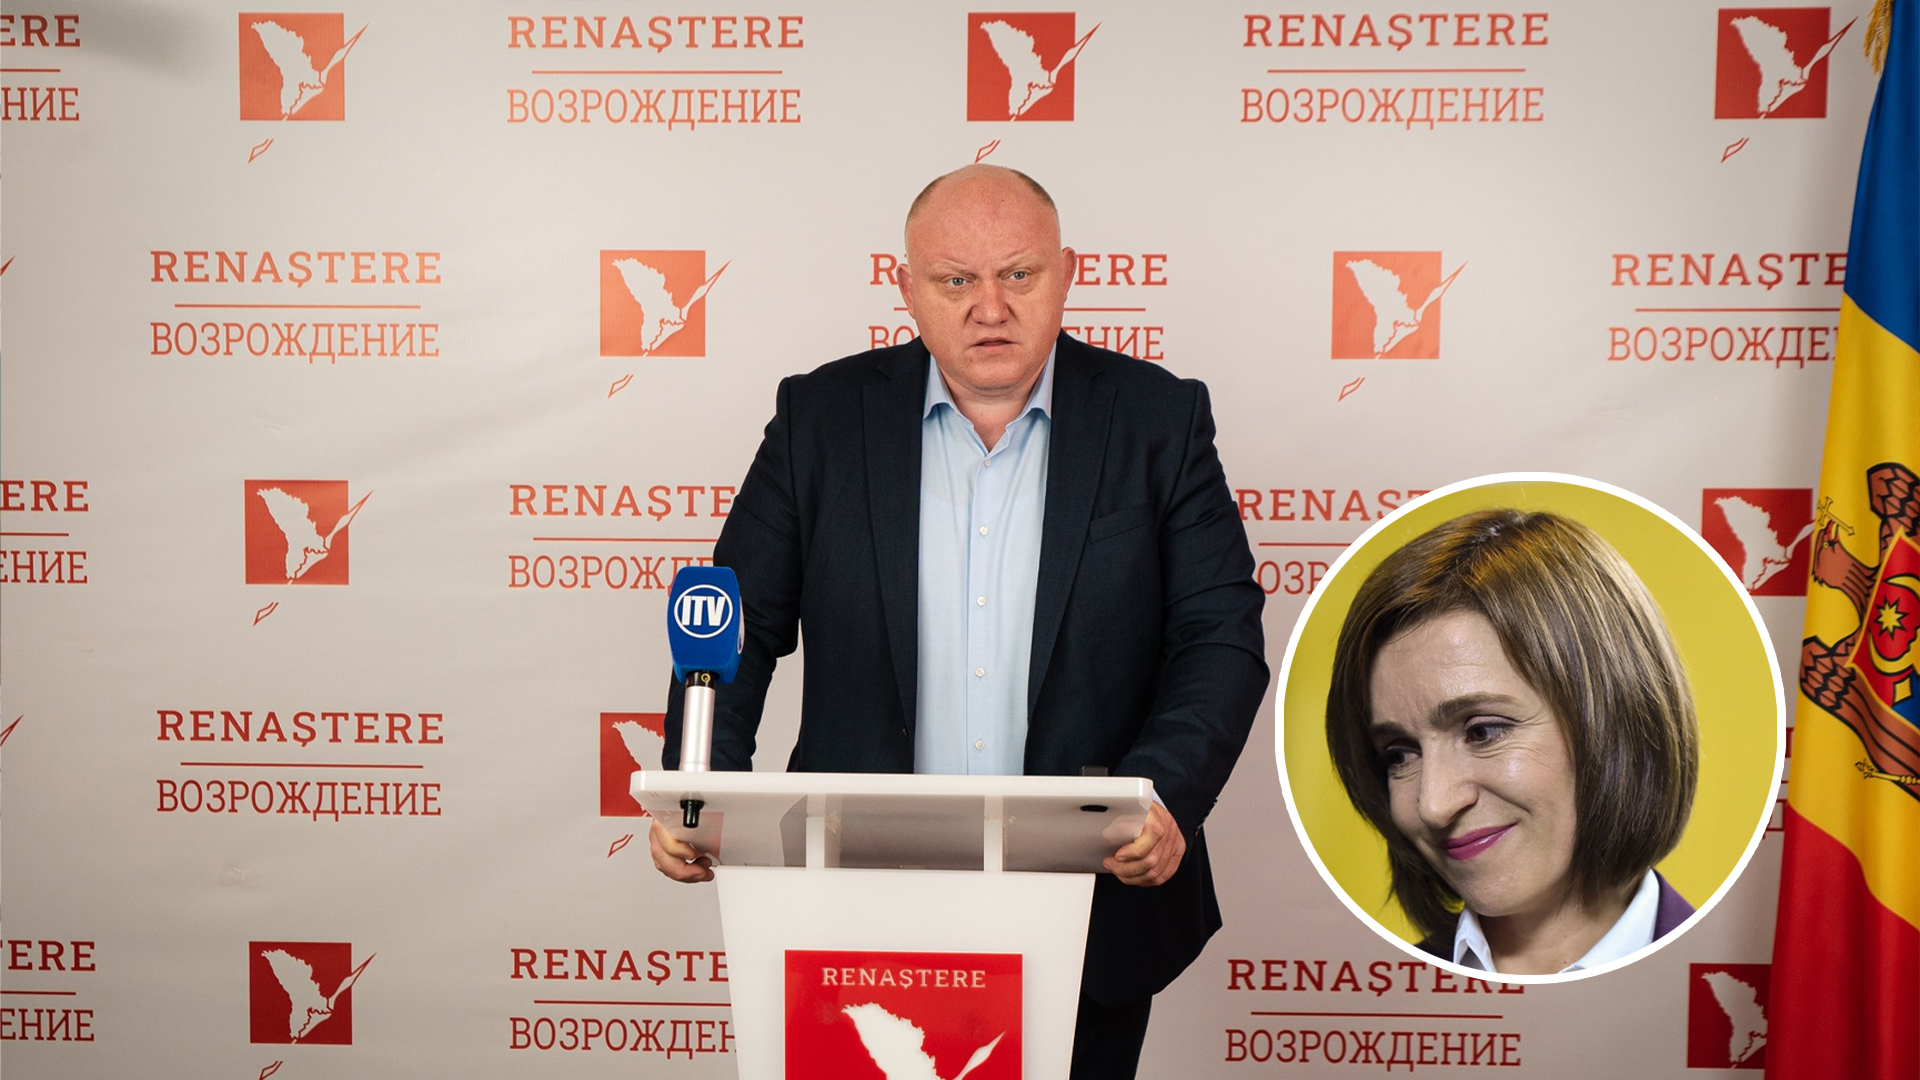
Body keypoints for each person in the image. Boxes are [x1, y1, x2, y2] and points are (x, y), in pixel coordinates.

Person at [650, 164, 1269, 1072]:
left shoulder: (1157, 420)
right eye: (955, 280)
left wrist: (1162, 796)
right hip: (852, 892)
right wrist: (700, 788)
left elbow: (1219, 638)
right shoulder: (820, 418)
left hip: (1088, 895)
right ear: (907, 289)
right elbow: (732, 623)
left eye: (1018, 274)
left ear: (1067, 273)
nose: (990, 308)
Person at [1324, 508, 1699, 976]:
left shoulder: (1760, 992)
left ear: (1613, 717)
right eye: (1400, 754)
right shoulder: (1382, 1007)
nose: (1432, 805)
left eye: (1482, 731)